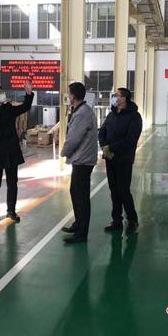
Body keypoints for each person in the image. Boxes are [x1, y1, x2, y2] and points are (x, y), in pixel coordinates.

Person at [0, 82, 33, 223]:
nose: (2, 95)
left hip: (11, 151)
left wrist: (28, 93)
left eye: (2, 92)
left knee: (12, 183)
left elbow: (25, 107)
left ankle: (11, 211)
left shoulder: (9, 109)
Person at [99, 88, 143, 234]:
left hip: (124, 159)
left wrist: (111, 147)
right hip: (110, 158)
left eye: (116, 95)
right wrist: (104, 146)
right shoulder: (112, 114)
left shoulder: (134, 117)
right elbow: (102, 131)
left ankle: (132, 220)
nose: (114, 97)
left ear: (124, 99)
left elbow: (131, 139)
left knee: (123, 191)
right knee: (114, 190)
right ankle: (116, 220)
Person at [60, 82, 98, 244]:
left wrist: (64, 152)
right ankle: (78, 224)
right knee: (75, 192)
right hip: (82, 159)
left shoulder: (82, 113)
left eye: (69, 93)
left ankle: (81, 234)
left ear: (73, 96)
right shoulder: (82, 110)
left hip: (83, 160)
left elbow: (74, 138)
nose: (68, 96)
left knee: (81, 197)